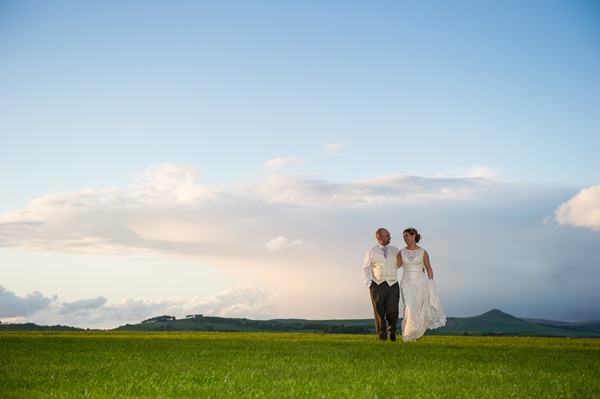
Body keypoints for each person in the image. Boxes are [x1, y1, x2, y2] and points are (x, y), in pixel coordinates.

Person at [397, 227, 446, 341]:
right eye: (403, 237)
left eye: (406, 236)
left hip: (420, 282)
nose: (405, 239)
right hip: (406, 282)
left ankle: (416, 332)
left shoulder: (423, 252)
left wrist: (430, 282)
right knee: (409, 307)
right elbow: (396, 266)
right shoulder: (402, 251)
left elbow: (428, 267)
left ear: (413, 235)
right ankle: (408, 334)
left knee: (418, 308)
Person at [362, 228, 400, 341]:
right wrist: (369, 283)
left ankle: (392, 331)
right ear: (380, 238)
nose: (390, 237)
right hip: (377, 284)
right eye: (387, 235)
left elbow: (402, 264)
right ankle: (382, 336)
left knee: (392, 311)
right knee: (379, 311)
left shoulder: (396, 250)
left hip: (393, 284)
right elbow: (365, 268)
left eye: (389, 235)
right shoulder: (371, 251)